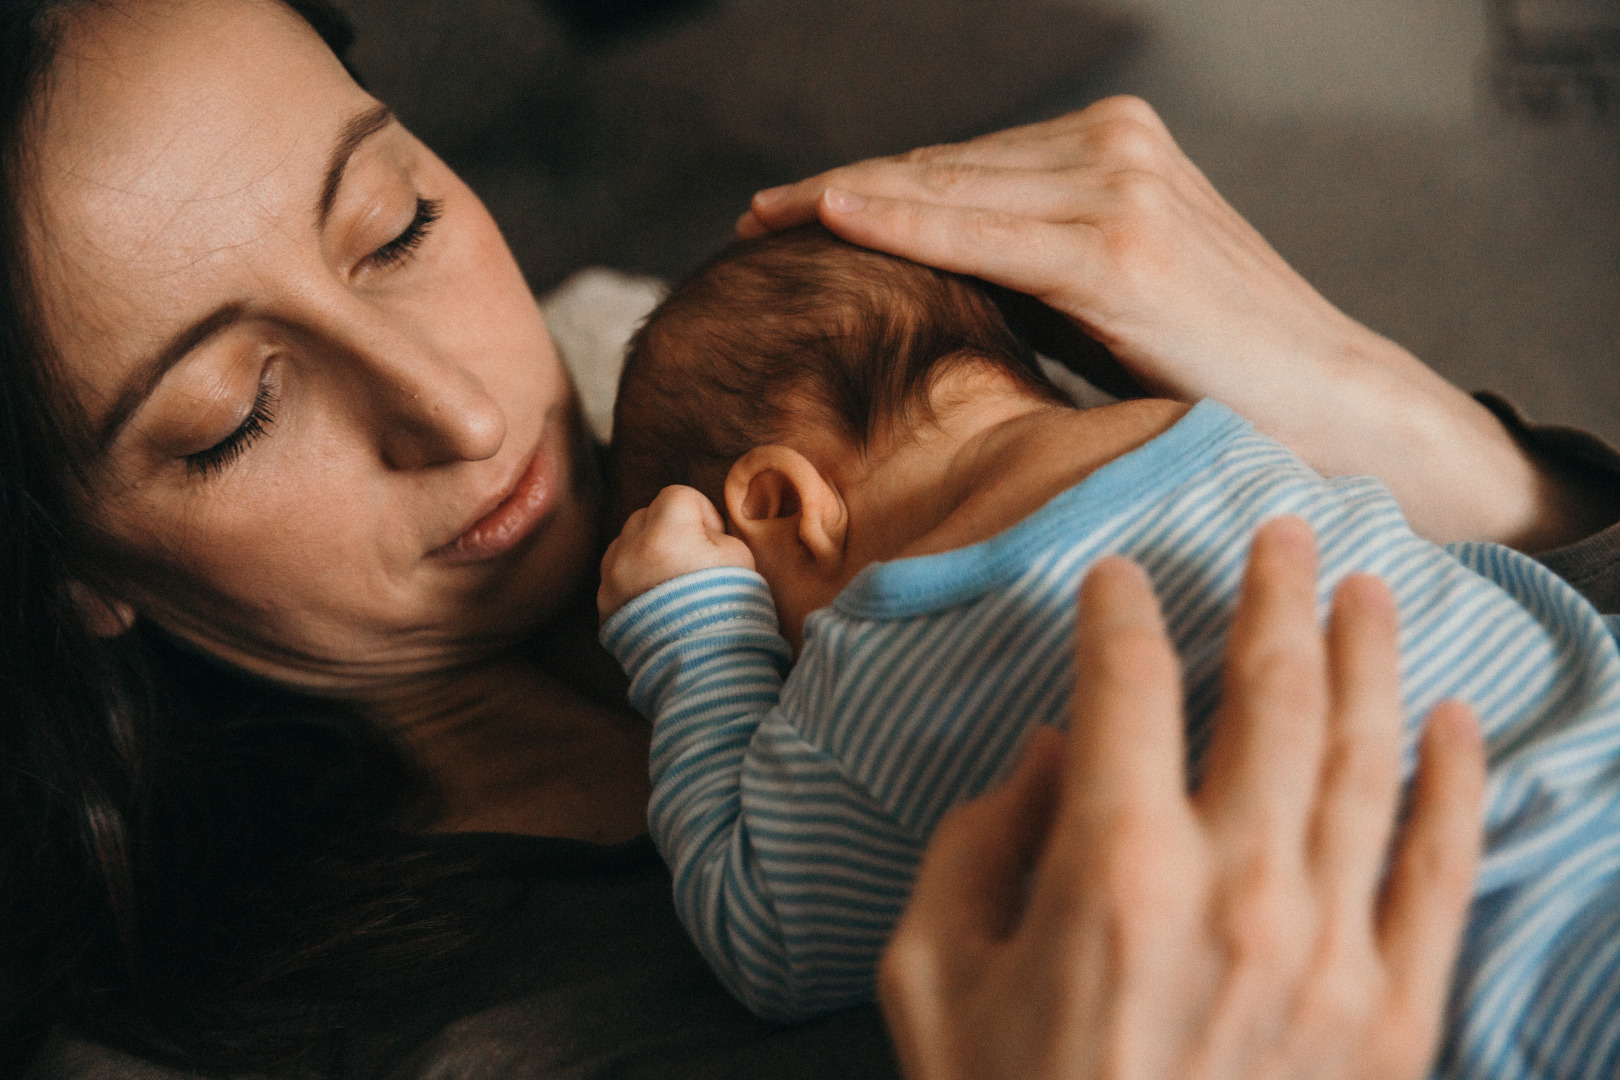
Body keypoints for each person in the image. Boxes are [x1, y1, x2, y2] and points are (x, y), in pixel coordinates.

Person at [0, 0, 1605, 1076]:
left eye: (397, 222)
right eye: (231, 416)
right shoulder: (304, 1038)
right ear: (68, 563)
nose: (470, 415)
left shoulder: (671, 358)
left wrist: (1407, 428)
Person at [594, 224, 1620, 1074]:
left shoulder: (883, 662)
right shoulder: (1228, 436)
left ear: (778, 505)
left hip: (1501, 999)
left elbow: (765, 936)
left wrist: (698, 632)